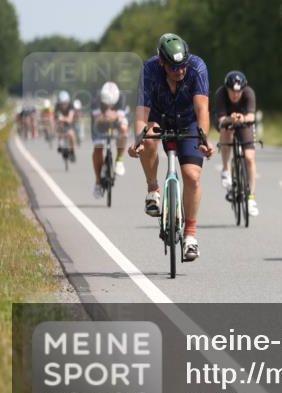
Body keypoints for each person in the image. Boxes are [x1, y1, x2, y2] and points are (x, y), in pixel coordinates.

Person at [128, 33, 213, 262]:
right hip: (159, 117)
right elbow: (142, 112)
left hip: (188, 121)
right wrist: (137, 139)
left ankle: (191, 235)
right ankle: (153, 189)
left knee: (192, 176)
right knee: (147, 138)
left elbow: (202, 109)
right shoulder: (149, 70)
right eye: (174, 67)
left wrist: (203, 138)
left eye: (183, 66)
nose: (180, 71)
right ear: (161, 62)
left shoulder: (197, 68)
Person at [213, 70, 259, 216]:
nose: (235, 95)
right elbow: (220, 119)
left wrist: (242, 118)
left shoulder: (249, 93)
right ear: (227, 89)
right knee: (226, 131)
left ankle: (251, 198)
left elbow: (251, 116)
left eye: (238, 92)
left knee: (250, 158)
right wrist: (230, 119)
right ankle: (226, 169)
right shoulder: (220, 94)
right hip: (226, 122)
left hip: (245, 122)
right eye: (232, 91)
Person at [91, 81, 129, 198]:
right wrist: (111, 115)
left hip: (114, 120)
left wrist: (112, 115)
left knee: (124, 129)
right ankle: (98, 181)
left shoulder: (121, 97)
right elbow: (98, 119)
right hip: (99, 123)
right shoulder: (96, 99)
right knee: (98, 148)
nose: (109, 106)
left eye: (112, 104)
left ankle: (119, 160)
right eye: (106, 104)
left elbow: (121, 116)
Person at [54, 90, 77, 162]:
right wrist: (61, 119)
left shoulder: (71, 106)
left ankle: (73, 151)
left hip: (69, 122)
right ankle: (60, 143)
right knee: (60, 126)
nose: (63, 105)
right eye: (62, 103)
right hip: (61, 123)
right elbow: (58, 117)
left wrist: (64, 118)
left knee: (71, 134)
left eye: (65, 103)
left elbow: (70, 119)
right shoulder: (57, 106)